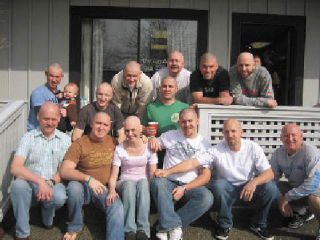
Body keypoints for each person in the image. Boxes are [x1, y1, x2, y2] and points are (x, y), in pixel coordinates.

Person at [156, 119, 279, 240]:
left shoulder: (253, 147)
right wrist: (168, 171)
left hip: (248, 186)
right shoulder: (216, 149)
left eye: (233, 131)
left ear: (241, 132)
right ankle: (224, 224)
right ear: (223, 133)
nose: (230, 135)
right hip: (227, 189)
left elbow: (269, 173)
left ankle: (258, 223)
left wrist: (254, 182)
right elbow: (193, 162)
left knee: (271, 188)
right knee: (219, 185)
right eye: (226, 132)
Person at [149, 108, 213, 240]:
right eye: (183, 122)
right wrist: (149, 139)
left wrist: (184, 188)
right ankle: (173, 229)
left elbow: (206, 176)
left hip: (189, 186)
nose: (187, 124)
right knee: (157, 182)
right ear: (179, 123)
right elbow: (152, 146)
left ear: (197, 121)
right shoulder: (170, 135)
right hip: (168, 182)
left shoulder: (204, 144)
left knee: (207, 198)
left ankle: (164, 227)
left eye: (190, 121)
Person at [10, 102, 71, 240]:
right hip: (30, 183)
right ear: (38, 117)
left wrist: (49, 183)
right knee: (18, 186)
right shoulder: (28, 137)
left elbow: (63, 170)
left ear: (59, 119)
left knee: (59, 197)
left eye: (53, 119)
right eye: (46, 119)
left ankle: (47, 213)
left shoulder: (65, 140)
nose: (50, 123)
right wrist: (40, 182)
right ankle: (22, 233)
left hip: (53, 182)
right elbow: (15, 167)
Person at [60, 112, 124, 240]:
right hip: (84, 187)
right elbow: (64, 171)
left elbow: (132, 144)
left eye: (105, 125)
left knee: (116, 206)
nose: (101, 127)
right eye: (98, 123)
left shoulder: (113, 142)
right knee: (74, 188)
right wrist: (88, 179)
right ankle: (75, 226)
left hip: (103, 188)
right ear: (91, 124)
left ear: (109, 127)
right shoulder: (80, 143)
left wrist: (144, 138)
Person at [107, 116, 158, 240]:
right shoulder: (120, 148)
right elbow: (114, 175)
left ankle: (143, 230)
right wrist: (112, 190)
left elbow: (152, 173)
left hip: (143, 184)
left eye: (133, 130)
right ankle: (129, 229)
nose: (130, 134)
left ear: (141, 128)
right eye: (127, 130)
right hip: (124, 182)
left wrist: (154, 191)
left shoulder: (148, 147)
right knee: (130, 184)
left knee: (143, 183)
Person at [270, 124, 320, 239]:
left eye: (294, 135)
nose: (290, 138)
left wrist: (286, 197)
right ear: (281, 138)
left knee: (314, 197)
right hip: (297, 189)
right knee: (272, 189)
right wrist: (279, 197)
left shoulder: (310, 152)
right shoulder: (278, 154)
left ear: (301, 136)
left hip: (316, 189)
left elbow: (313, 184)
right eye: (286, 136)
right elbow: (272, 178)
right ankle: (302, 213)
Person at [27, 63, 65, 131]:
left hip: (54, 135)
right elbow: (42, 116)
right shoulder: (38, 93)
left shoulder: (61, 95)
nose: (54, 80)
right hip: (37, 135)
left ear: (62, 77)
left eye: (57, 77)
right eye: (51, 76)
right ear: (46, 74)